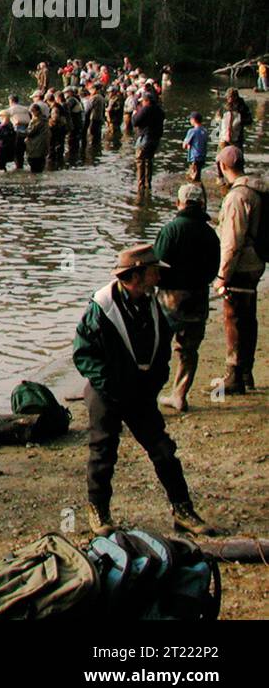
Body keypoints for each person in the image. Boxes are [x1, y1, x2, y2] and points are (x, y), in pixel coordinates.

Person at [71, 245, 216, 536]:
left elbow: (162, 349)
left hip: (139, 392)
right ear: (136, 275)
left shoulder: (151, 303)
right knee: (103, 452)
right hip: (106, 391)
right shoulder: (102, 307)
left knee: (163, 450)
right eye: (154, 271)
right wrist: (109, 385)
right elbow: (83, 353)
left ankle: (182, 510)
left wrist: (154, 383)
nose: (158, 276)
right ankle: (99, 511)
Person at [154, 186, 221, 412]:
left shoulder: (170, 230)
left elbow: (158, 267)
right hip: (198, 297)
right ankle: (179, 395)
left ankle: (150, 393)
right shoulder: (210, 233)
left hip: (170, 299)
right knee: (188, 350)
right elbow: (213, 270)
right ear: (201, 204)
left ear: (179, 203)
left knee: (158, 348)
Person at [213, 145, 267, 393]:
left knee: (233, 317)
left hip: (241, 265)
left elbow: (232, 241)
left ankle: (234, 375)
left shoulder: (237, 197)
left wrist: (222, 276)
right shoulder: (256, 190)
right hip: (257, 261)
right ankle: (246, 373)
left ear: (223, 166)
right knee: (248, 316)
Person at [132, 90, 165, 195]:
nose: (142, 103)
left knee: (140, 160)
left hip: (145, 137)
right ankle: (148, 184)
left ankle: (140, 185)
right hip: (155, 139)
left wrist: (135, 113)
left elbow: (135, 122)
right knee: (149, 161)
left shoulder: (146, 109)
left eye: (143, 101)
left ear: (147, 101)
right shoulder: (159, 110)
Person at [182, 112, 208, 182]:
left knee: (193, 178)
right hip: (202, 157)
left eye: (190, 119)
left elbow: (184, 146)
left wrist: (187, 145)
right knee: (198, 175)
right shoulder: (205, 131)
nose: (190, 120)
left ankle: (197, 188)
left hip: (194, 157)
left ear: (194, 120)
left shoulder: (192, 131)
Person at [7, 95, 31, 169]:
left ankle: (18, 168)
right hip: (26, 133)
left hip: (16, 133)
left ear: (10, 101)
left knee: (17, 153)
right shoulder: (25, 109)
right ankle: (21, 166)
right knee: (22, 152)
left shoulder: (10, 110)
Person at [25, 104, 50, 173]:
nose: (31, 113)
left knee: (34, 167)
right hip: (42, 148)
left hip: (35, 147)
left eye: (32, 111)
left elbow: (30, 132)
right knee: (40, 167)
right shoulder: (44, 120)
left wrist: (20, 132)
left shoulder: (37, 121)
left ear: (37, 111)